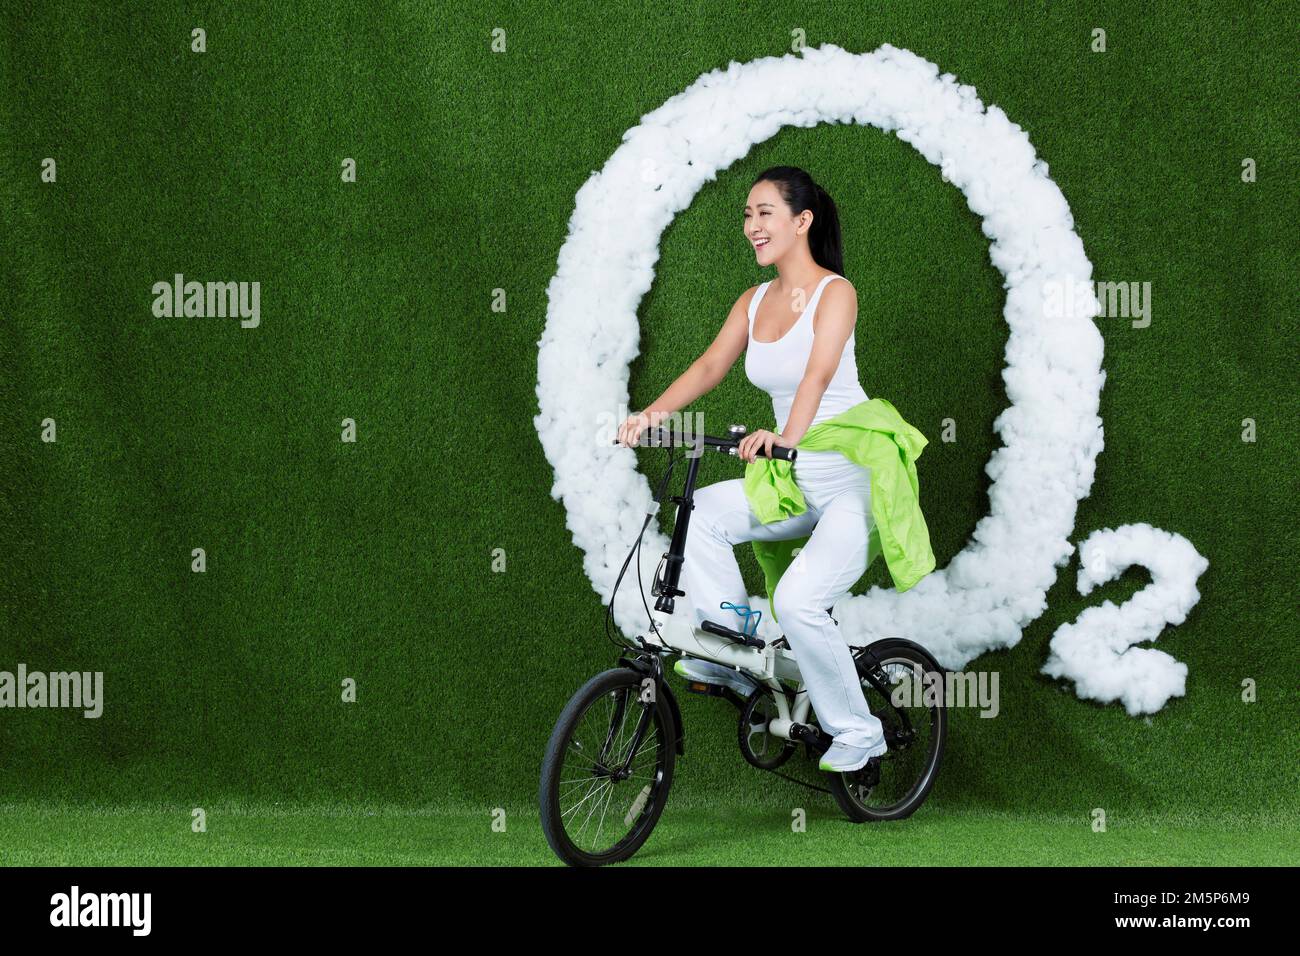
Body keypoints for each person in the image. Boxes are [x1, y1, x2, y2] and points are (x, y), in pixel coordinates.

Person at [616, 165, 887, 773]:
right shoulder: (754, 300)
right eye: (746, 215)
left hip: (851, 486)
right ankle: (728, 642)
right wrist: (647, 416)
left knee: (796, 602)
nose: (752, 227)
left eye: (764, 213)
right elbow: (711, 365)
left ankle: (860, 730)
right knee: (701, 513)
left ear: (802, 220)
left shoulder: (835, 292)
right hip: (793, 484)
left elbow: (817, 373)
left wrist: (787, 438)